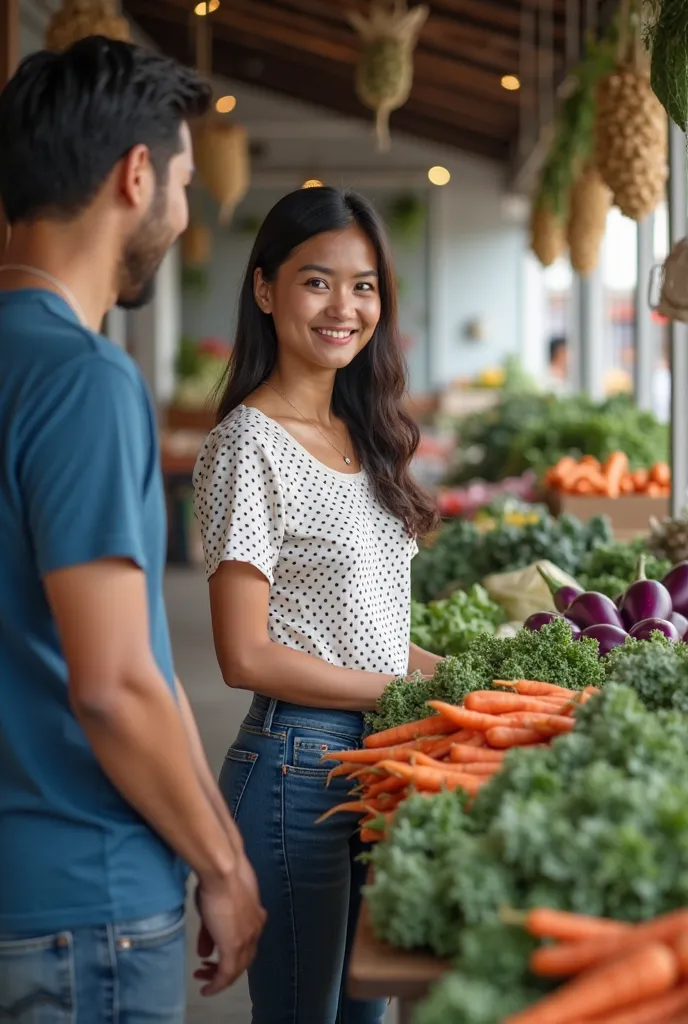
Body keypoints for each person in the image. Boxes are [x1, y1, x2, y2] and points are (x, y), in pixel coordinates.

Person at [0, 36, 265, 1022]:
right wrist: (223, 865)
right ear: (136, 174)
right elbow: (115, 685)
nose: (186, 214)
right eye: (187, 182)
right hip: (83, 902)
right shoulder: (83, 377)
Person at [193, 185, 440, 1024]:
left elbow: (368, 634)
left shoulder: (362, 435)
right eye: (317, 281)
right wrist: (401, 694)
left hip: (382, 761)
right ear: (265, 289)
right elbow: (244, 655)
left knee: (367, 1010)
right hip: (299, 768)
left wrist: (463, 678)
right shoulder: (246, 444)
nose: (346, 307)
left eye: (365, 285)